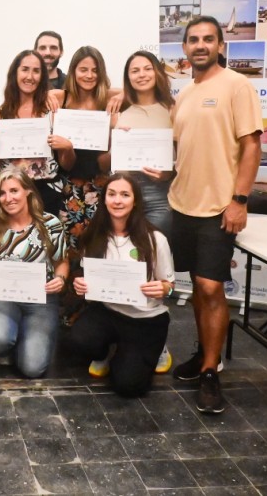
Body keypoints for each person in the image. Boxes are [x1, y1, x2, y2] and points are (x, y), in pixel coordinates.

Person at [169, 16, 262, 414]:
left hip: (218, 207)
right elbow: (181, 147)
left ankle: (211, 370)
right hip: (182, 204)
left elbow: (252, 145)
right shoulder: (185, 93)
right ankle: (202, 354)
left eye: (208, 39)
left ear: (221, 45)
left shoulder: (237, 86)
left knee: (210, 287)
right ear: (185, 48)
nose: (200, 45)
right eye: (193, 40)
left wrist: (239, 199)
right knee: (196, 284)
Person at [68, 174, 174, 397]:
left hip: (145, 319)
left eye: (125, 195)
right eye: (112, 194)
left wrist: (164, 288)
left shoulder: (155, 239)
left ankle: (155, 350)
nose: (117, 200)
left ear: (135, 201)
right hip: (109, 311)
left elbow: (169, 284)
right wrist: (81, 285)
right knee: (79, 340)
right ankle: (107, 352)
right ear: (104, 199)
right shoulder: (94, 236)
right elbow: (90, 279)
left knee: (128, 386)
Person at [111, 50, 177, 374]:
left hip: (158, 194)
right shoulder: (118, 109)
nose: (141, 74)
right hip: (124, 191)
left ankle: (157, 339)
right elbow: (106, 158)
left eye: (146, 68)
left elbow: (184, 153)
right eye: (134, 70)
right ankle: (117, 337)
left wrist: (168, 172)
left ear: (157, 72)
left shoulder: (173, 109)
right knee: (122, 262)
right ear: (128, 77)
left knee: (151, 265)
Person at [0, 167, 68, 378]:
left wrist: (60, 279)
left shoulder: (50, 224)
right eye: (2, 193)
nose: (8, 198)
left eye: (14, 191)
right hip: (3, 298)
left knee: (33, 368)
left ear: (28, 191)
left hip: (41, 300)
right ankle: (7, 346)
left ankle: (25, 340)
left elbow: (62, 261)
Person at [0, 50, 69, 215]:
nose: (30, 76)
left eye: (36, 71)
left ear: (42, 76)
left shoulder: (52, 112)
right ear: (15, 73)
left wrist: (67, 147)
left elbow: (67, 163)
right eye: (25, 69)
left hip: (48, 193)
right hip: (11, 195)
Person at [56, 46, 119, 248]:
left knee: (99, 242)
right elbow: (38, 94)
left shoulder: (107, 98)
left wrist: (122, 97)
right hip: (68, 183)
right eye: (83, 70)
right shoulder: (61, 97)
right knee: (68, 243)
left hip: (99, 182)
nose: (89, 75)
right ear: (73, 71)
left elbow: (139, 89)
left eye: (95, 70)